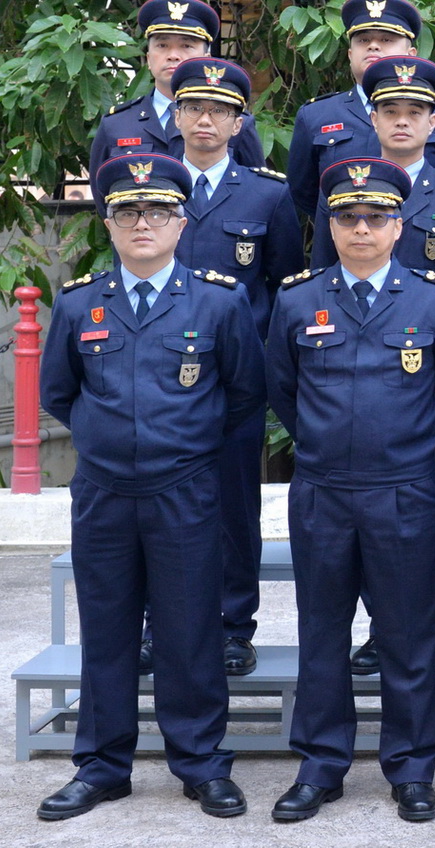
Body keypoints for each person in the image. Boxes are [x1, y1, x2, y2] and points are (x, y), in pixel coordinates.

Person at [37, 154, 264, 821]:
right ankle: (102, 767)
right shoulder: (79, 304)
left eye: (159, 210)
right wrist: (110, 437)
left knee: (189, 630)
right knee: (107, 631)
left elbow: (245, 394)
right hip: (104, 492)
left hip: (184, 490)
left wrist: (183, 446)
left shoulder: (219, 301)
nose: (143, 222)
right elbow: (59, 393)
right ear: (107, 222)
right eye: (128, 211)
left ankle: (201, 763)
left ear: (181, 222)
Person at [265, 159, 435, 823]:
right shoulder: (297, 301)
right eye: (348, 217)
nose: (361, 228)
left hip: (403, 492)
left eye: (375, 217)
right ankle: (320, 766)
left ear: (398, 226)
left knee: (407, 638)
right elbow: (283, 392)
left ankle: (411, 769)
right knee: (322, 636)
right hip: (323, 492)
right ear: (330, 226)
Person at [308, 55, 435, 678]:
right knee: (360, 520)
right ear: (374, 118)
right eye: (390, 110)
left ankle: (428, 626)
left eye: (415, 111)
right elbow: (320, 279)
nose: (403, 121)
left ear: (434, 122)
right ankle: (376, 632)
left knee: (434, 510)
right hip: (354, 379)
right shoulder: (342, 191)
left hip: (433, 381)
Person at [166, 57, 300, 677]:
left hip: (236, 381)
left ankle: (233, 625)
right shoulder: (150, 187)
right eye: (194, 107)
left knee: (234, 506)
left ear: (238, 122)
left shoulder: (268, 194)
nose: (205, 119)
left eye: (219, 110)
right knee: (160, 505)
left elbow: (284, 287)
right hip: (159, 374)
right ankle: (162, 624)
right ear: (176, 115)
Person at [284, 0, 435, 217]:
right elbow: (303, 193)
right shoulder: (317, 115)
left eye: (387, 40)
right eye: (363, 40)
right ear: (350, 54)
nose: (373, 46)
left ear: (411, 54)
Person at [90, 0, 266, 173]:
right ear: (148, 58)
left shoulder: (233, 121)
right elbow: (102, 186)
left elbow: (254, 186)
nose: (173, 55)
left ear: (206, 58)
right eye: (162, 45)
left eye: (186, 46)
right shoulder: (116, 123)